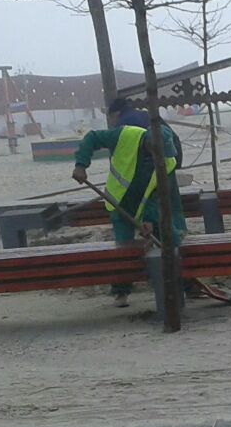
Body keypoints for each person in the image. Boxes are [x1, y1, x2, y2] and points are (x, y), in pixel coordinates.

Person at [72, 98, 189, 307]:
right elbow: (91, 137)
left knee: (171, 238)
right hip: (121, 203)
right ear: (149, 144)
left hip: (146, 203)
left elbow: (156, 195)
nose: (160, 158)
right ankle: (121, 291)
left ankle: (185, 284)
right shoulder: (123, 135)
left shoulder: (167, 161)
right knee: (124, 248)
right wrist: (81, 165)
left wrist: (149, 219)